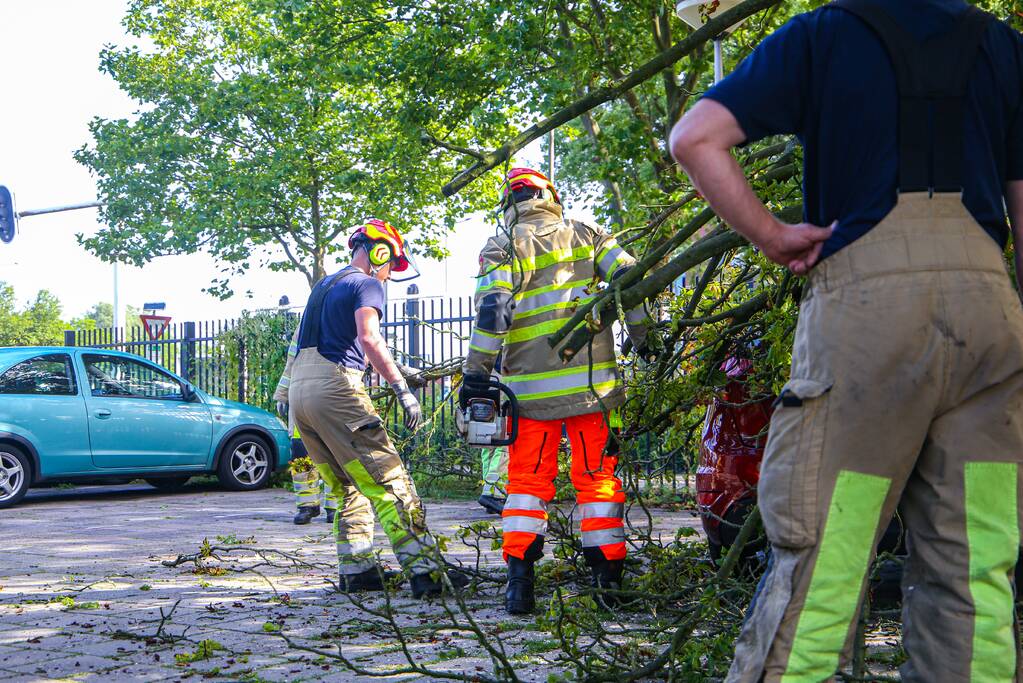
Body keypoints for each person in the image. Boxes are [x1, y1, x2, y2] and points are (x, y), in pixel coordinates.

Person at [669, 1, 1023, 681]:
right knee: (976, 563)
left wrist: (771, 235)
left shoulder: (819, 35)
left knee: (832, 549)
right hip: (989, 322)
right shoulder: (1003, 48)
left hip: (870, 326)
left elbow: (695, 139)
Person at [460, 167, 650, 615]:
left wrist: (476, 373)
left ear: (509, 204)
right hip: (594, 392)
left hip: (529, 396)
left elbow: (493, 310)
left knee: (525, 484)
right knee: (597, 480)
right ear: (552, 196)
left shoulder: (502, 246)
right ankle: (608, 587)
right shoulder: (589, 234)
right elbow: (633, 279)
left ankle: (520, 587)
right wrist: (643, 338)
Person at [289, 218, 468, 598]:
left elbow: (340, 341)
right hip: (337, 388)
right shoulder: (368, 283)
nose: (389, 273)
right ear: (378, 252)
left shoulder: (324, 285)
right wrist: (402, 389)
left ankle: (358, 571)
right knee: (390, 481)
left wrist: (402, 368)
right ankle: (427, 572)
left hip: (302, 395)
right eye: (390, 263)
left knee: (348, 486)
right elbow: (369, 339)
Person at [273, 332, 338, 525]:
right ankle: (307, 505)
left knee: (334, 455)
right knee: (301, 456)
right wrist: (283, 394)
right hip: (301, 396)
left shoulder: (345, 317)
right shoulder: (304, 326)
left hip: (332, 394)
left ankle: (335, 507)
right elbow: (291, 360)